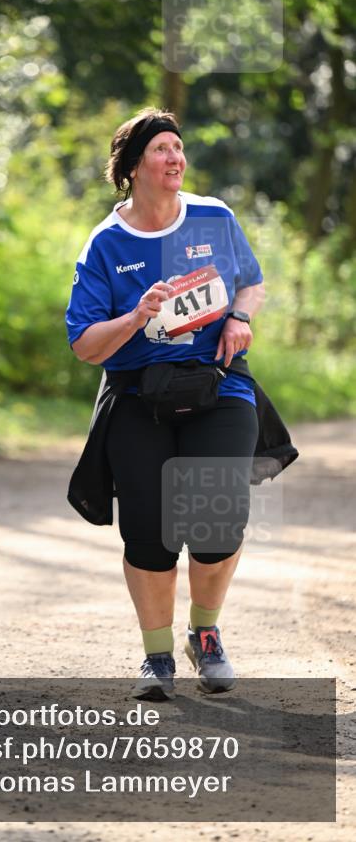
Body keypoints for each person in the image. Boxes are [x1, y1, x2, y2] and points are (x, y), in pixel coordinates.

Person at [66, 107, 295, 701]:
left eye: (178, 147)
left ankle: (206, 632)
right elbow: (86, 346)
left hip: (219, 386)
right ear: (135, 166)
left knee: (216, 522)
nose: (176, 159)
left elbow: (252, 280)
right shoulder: (106, 243)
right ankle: (157, 657)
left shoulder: (213, 217)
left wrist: (241, 316)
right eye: (162, 149)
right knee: (149, 535)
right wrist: (137, 316)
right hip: (138, 398)